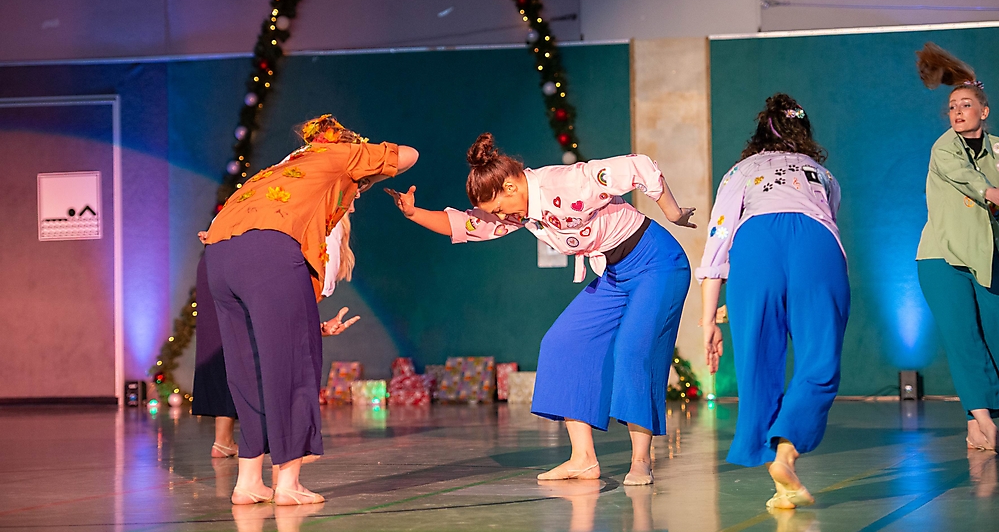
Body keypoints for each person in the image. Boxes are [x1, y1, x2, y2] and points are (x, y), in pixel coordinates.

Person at [387, 133, 694, 486]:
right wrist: (414, 214)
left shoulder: (565, 183)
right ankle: (583, 459)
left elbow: (636, 166)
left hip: (657, 263)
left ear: (511, 186)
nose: (501, 217)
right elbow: (469, 226)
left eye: (499, 208)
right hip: (615, 273)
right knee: (562, 342)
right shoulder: (522, 210)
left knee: (632, 350)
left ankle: (641, 460)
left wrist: (673, 212)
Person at [203, 115, 418, 505]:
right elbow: (409, 155)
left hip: (218, 255)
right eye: (359, 190)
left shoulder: (280, 170)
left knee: (248, 371)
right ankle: (288, 483)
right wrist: (361, 159)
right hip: (268, 251)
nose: (356, 198)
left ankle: (248, 482)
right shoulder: (338, 157)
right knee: (293, 368)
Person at [698, 94, 849, 510]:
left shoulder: (740, 171)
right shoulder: (824, 175)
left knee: (758, 362)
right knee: (819, 358)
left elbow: (718, 239)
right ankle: (786, 456)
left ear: (760, 133)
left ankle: (776, 467)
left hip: (756, 245)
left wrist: (708, 320)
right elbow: (828, 218)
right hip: (816, 245)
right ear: (804, 133)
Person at [192, 213, 360, 460]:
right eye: (354, 198)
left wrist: (219, 232)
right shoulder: (327, 219)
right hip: (249, 265)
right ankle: (283, 449)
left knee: (230, 346)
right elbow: (301, 300)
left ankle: (226, 441)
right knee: (258, 355)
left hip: (219, 259)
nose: (353, 207)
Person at [914, 43, 999, 452]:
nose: (958, 112)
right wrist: (992, 192)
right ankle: (985, 421)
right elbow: (968, 177)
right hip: (942, 258)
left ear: (984, 111)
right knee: (964, 339)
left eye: (966, 105)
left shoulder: (998, 148)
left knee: (993, 337)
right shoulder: (945, 147)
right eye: (952, 107)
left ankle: (976, 425)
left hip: (985, 257)